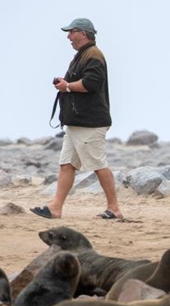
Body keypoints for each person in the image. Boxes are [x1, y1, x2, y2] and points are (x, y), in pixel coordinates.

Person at [31, 18, 123, 220]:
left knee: (98, 164)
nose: (68, 37)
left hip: (90, 122)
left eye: (71, 32)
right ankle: (55, 208)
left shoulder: (93, 55)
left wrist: (67, 86)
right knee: (67, 164)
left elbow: (92, 83)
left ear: (83, 33)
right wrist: (65, 84)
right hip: (77, 123)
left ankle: (114, 209)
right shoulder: (83, 56)